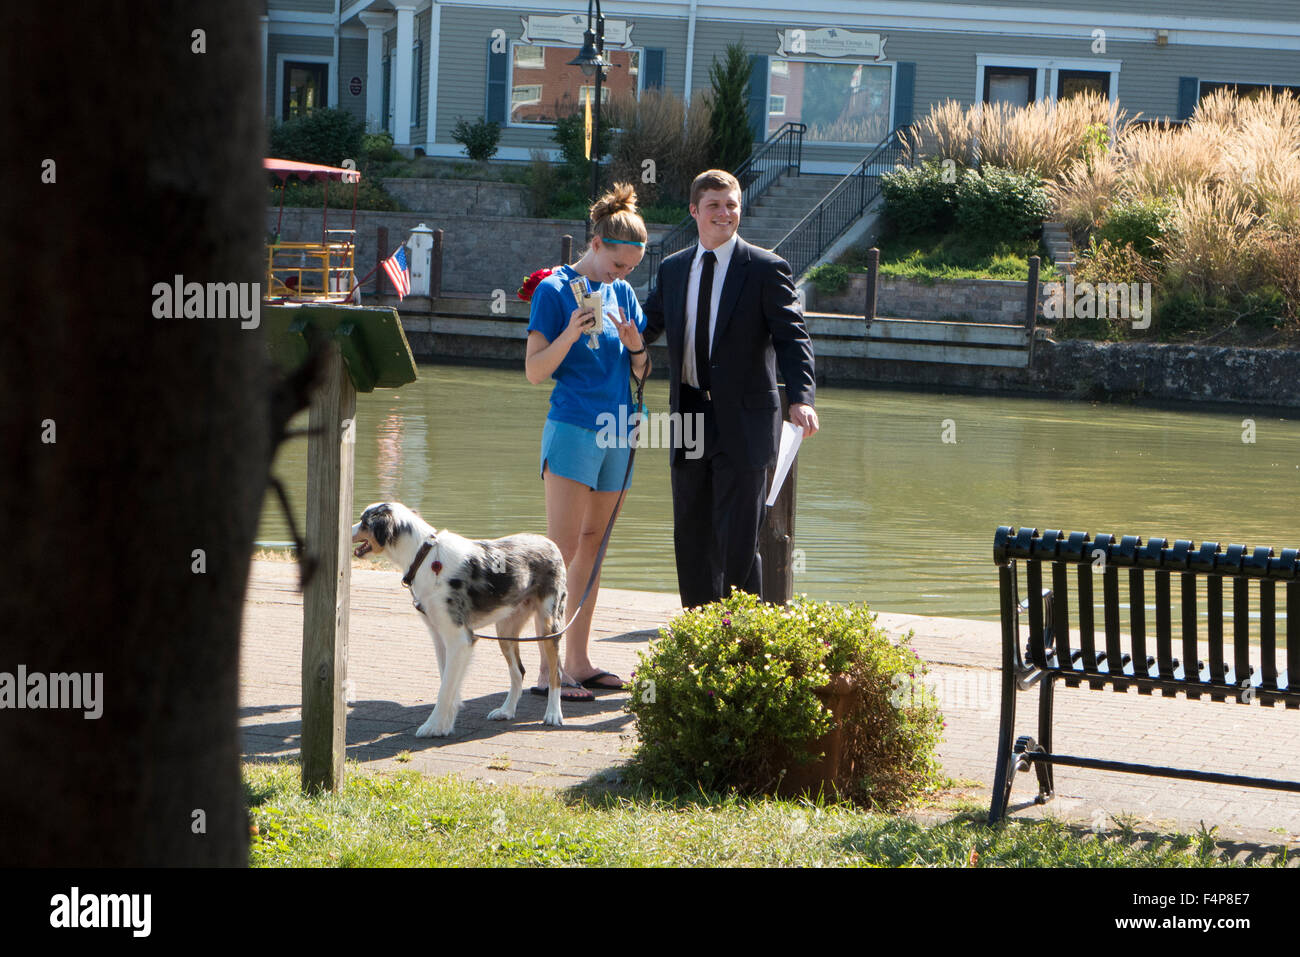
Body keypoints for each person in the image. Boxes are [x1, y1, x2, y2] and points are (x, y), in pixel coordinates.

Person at [642, 169, 819, 608]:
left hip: (745, 419)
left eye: (732, 204)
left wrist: (801, 398)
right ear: (694, 211)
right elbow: (644, 328)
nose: (724, 213)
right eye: (714, 205)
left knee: (739, 536)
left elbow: (793, 337)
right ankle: (699, 634)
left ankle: (742, 640)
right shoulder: (673, 268)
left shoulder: (765, 267)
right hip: (689, 415)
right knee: (691, 530)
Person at [523, 183, 651, 698]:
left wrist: (637, 346)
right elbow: (534, 371)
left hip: (619, 428)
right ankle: (547, 669)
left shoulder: (624, 294)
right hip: (574, 425)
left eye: (629, 271)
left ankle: (577, 660)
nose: (621, 278)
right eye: (616, 266)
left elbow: (641, 371)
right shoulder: (554, 291)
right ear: (595, 244)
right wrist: (570, 334)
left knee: (594, 549)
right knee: (562, 548)